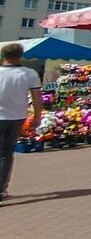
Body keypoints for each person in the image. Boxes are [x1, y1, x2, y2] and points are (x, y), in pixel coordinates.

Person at [0, 43, 44, 206]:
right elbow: (37, 98)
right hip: (16, 117)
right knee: (6, 154)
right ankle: (1, 188)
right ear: (21, 56)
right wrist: (37, 116)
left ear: (3, 55)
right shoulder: (29, 73)